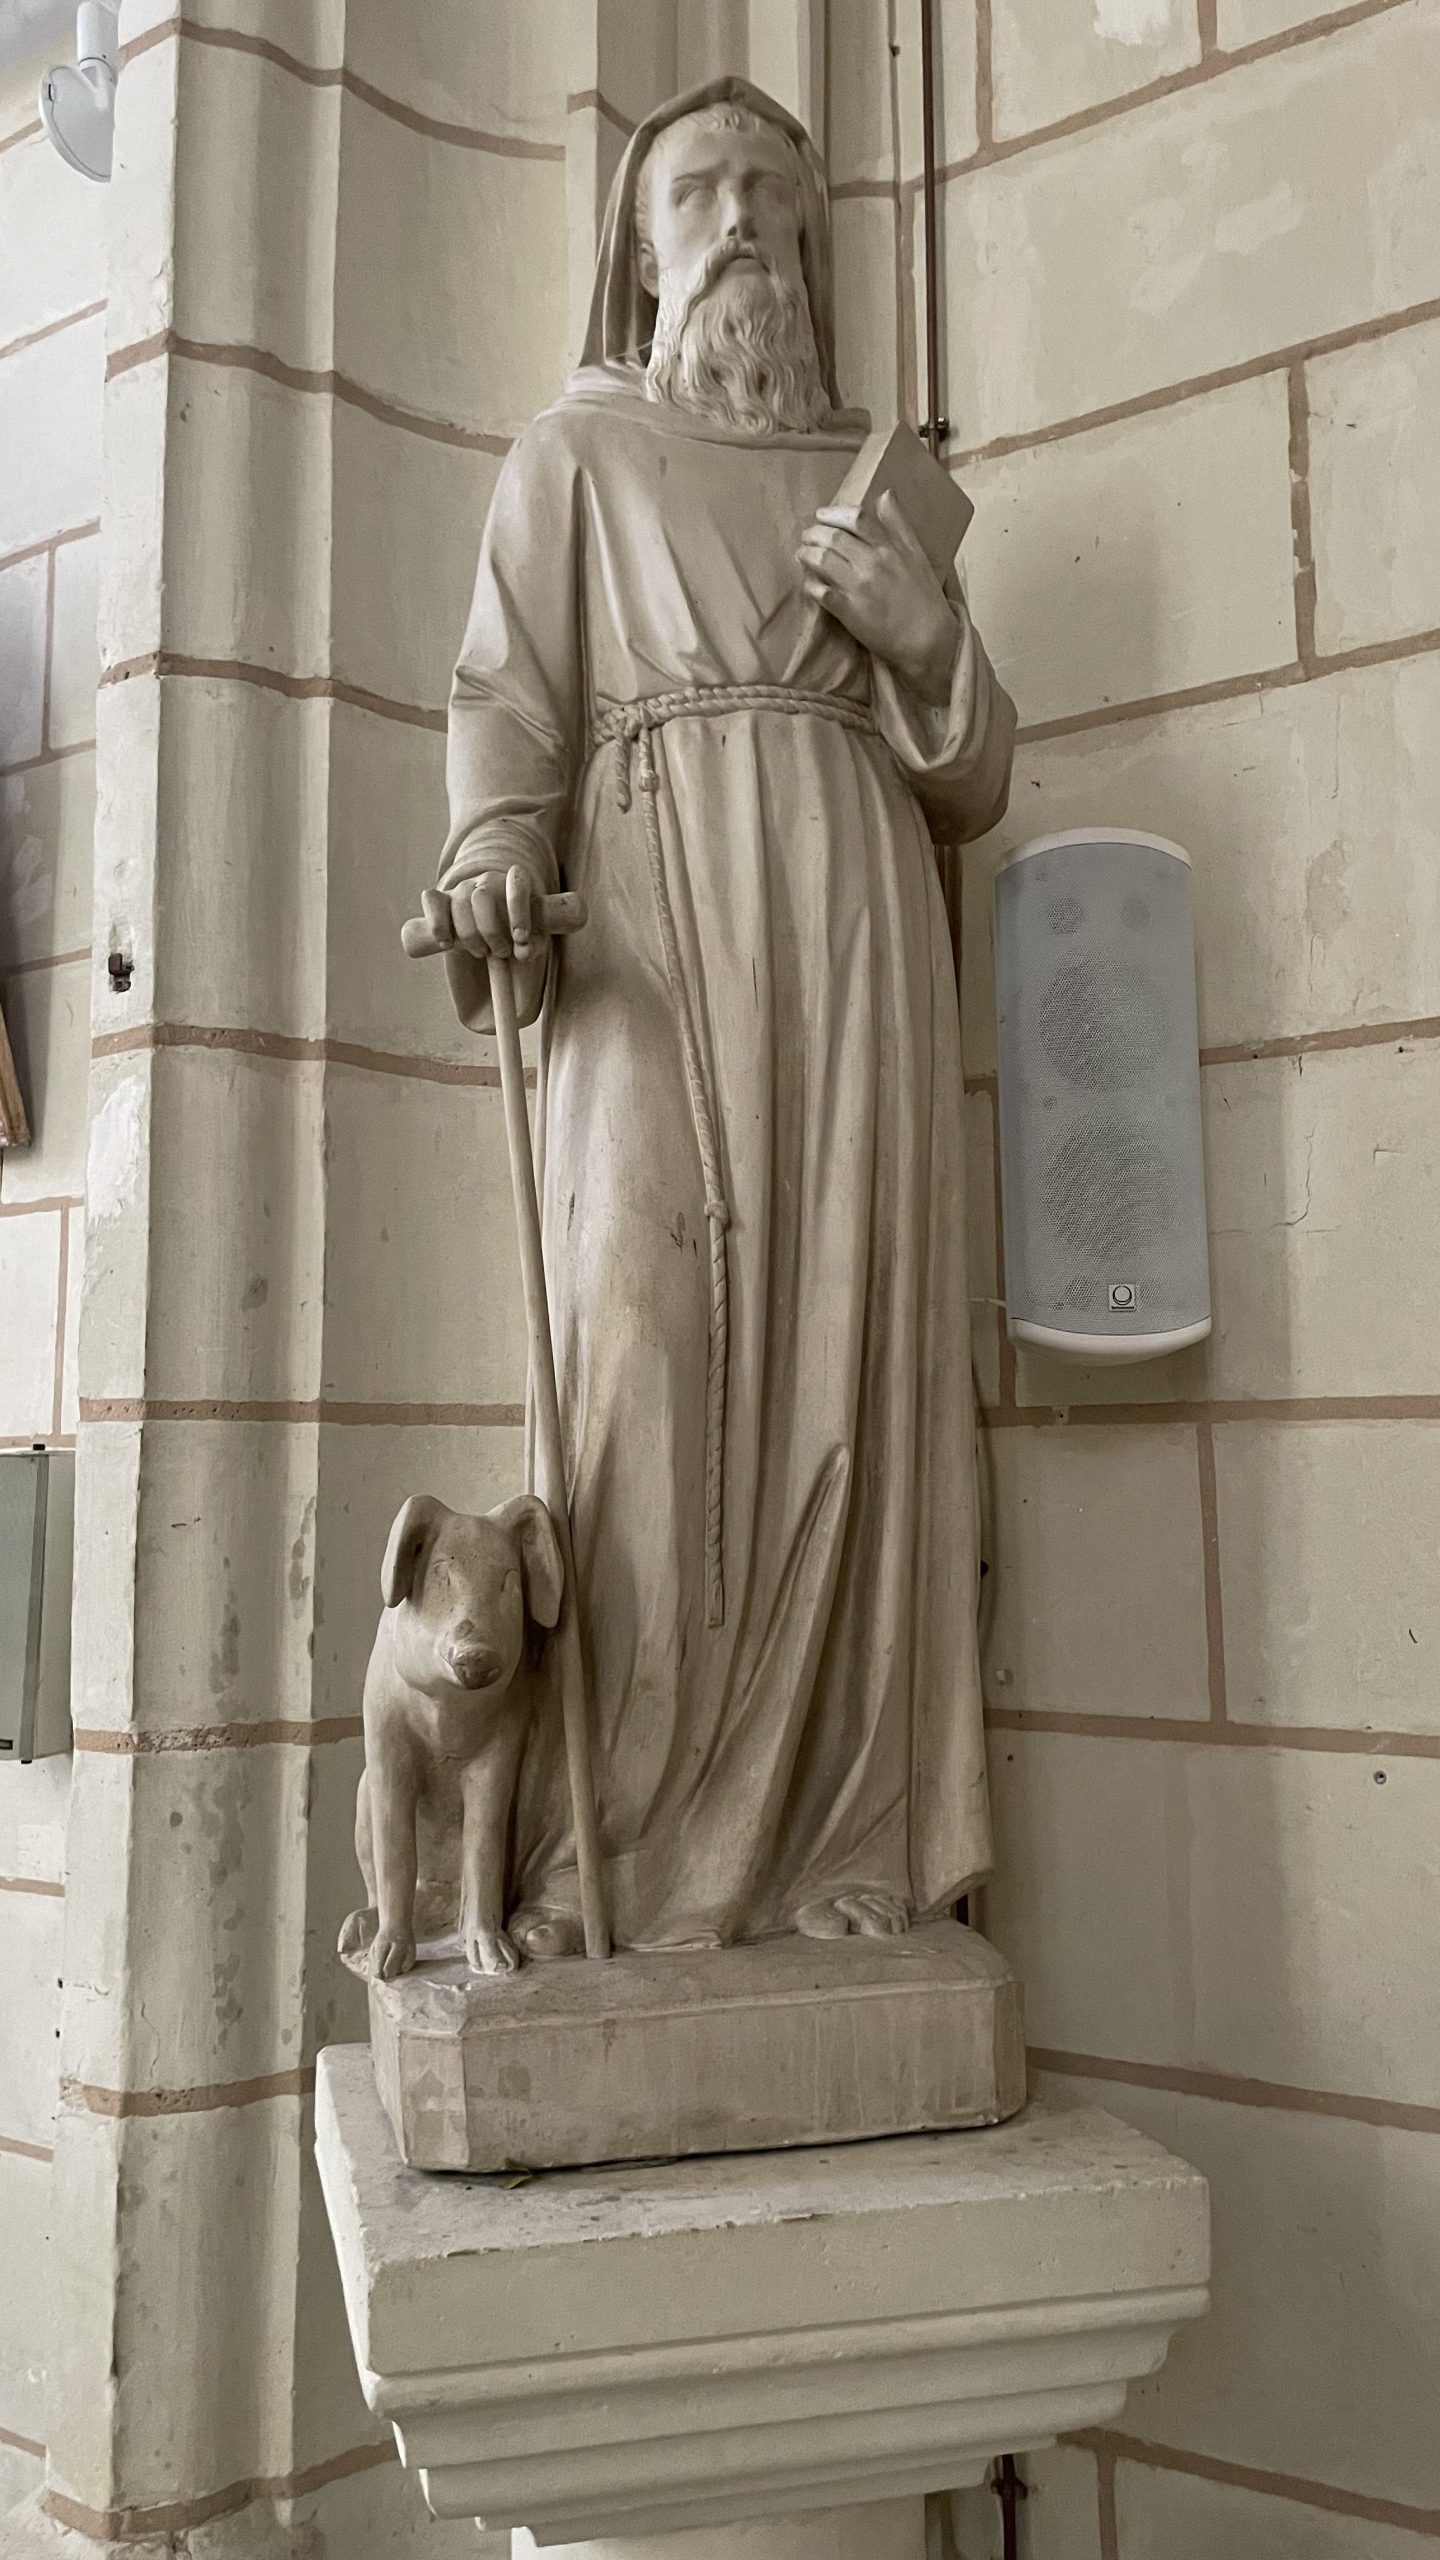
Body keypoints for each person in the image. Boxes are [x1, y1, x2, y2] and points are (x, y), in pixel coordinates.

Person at [431, 78, 1016, 1957]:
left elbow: (975, 776)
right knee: (637, 1355)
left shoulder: (873, 486)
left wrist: (927, 640)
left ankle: (843, 1838)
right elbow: (506, 701)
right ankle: (599, 1857)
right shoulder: (576, 455)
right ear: (640, 252)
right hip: (645, 942)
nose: (743, 219)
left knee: (856, 1353)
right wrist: (495, 849)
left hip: (853, 956)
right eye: (698, 190)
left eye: (774, 190)